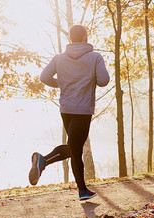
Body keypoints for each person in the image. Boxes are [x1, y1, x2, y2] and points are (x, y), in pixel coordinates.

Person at [29, 25, 110, 201]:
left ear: (71, 38)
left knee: (74, 147)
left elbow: (44, 77)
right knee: (75, 148)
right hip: (83, 109)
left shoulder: (59, 58)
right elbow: (103, 80)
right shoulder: (95, 57)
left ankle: (78, 187)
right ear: (85, 37)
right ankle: (78, 187)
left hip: (66, 108)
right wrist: (87, 79)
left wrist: (64, 83)